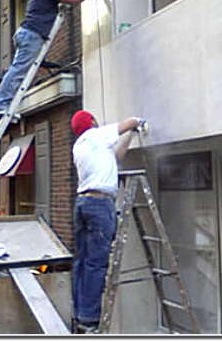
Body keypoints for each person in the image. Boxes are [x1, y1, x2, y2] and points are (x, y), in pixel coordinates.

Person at [70, 110, 145, 333]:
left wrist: (131, 134)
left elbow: (116, 156)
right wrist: (138, 121)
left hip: (83, 203)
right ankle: (90, 318)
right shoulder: (94, 135)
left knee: (82, 262)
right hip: (99, 205)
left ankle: (79, 312)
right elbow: (127, 122)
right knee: (96, 263)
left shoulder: (82, 146)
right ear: (91, 122)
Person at [0, 0, 98, 117]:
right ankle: (1, 105)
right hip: (32, 35)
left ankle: (5, 104)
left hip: (26, 34)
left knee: (18, 71)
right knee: (18, 71)